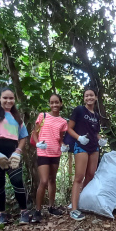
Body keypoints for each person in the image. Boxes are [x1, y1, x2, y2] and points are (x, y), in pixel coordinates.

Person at [0, 87, 30, 226]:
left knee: (18, 181)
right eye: (5, 98)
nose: (8, 101)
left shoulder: (17, 117)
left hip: (12, 151)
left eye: (11, 98)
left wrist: (18, 152)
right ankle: (2, 214)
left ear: (15, 99)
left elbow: (23, 137)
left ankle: (24, 212)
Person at [68, 88, 108, 221]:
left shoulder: (96, 115)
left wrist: (100, 139)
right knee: (79, 176)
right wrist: (78, 138)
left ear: (96, 97)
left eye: (91, 95)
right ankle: (74, 209)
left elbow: (95, 132)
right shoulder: (79, 110)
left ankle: (79, 201)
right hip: (81, 146)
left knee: (90, 174)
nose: (89, 98)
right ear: (84, 98)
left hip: (94, 147)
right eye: (86, 96)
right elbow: (69, 128)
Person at [31, 94, 69, 223]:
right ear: (49, 104)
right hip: (43, 152)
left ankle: (51, 207)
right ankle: (37, 211)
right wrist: (37, 143)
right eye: (52, 102)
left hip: (55, 153)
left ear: (61, 103)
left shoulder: (63, 122)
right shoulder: (43, 116)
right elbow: (34, 133)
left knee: (52, 180)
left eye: (56, 102)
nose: (54, 105)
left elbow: (61, 138)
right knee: (43, 181)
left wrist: (63, 146)